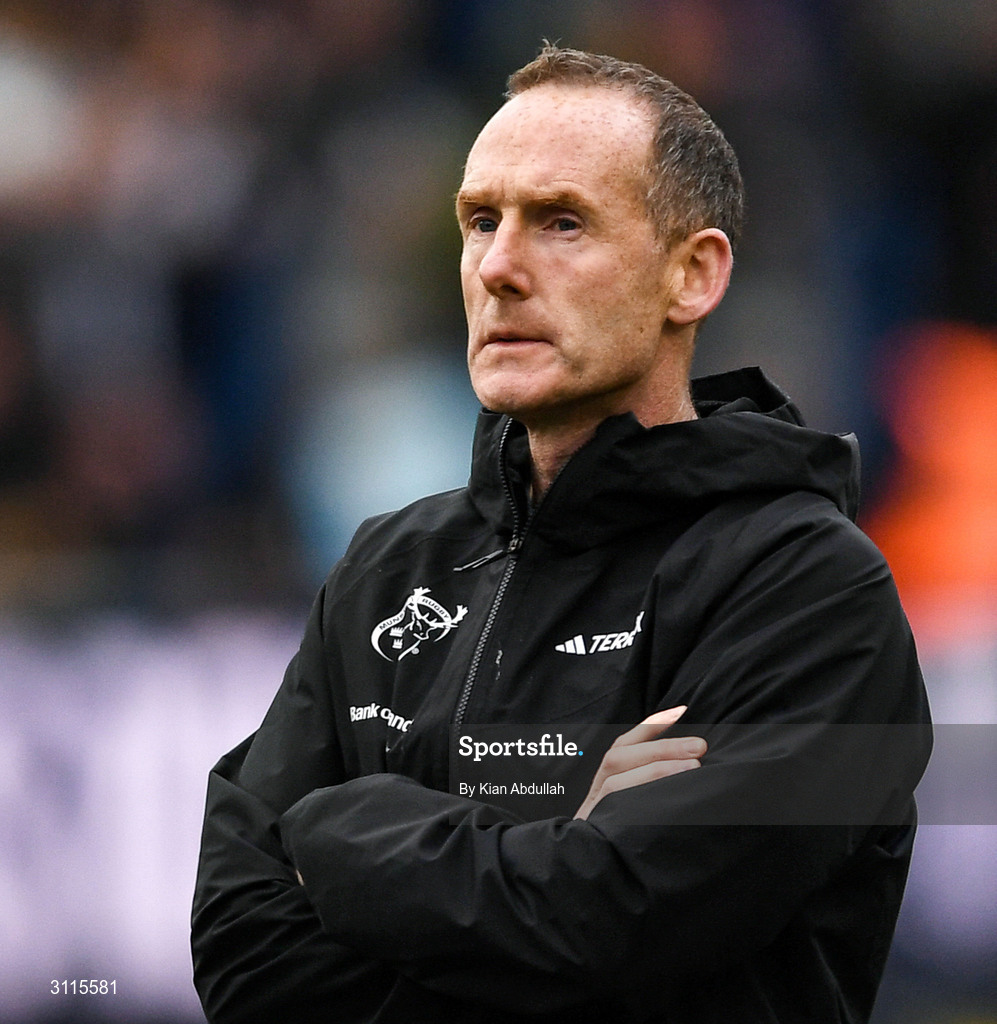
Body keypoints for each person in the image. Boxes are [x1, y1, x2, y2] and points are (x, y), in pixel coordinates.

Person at [192, 44, 931, 1024]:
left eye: (561, 222)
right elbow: (241, 957)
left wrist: (336, 832)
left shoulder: (810, 591)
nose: (499, 268)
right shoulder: (387, 570)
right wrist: (558, 832)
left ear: (692, 275)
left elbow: (617, 922)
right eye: (479, 221)